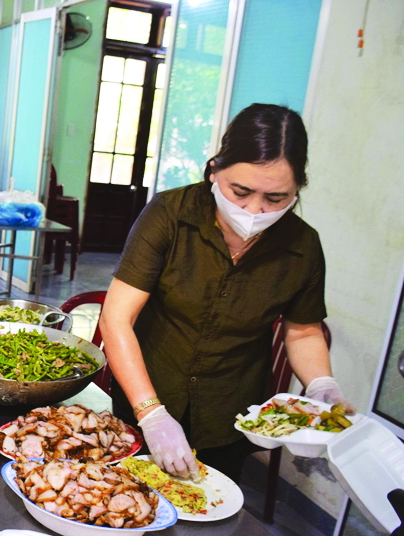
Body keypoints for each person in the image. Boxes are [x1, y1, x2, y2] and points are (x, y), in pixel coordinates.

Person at [99, 103, 355, 483]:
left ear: (298, 188)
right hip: (146, 390)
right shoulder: (171, 214)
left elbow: (303, 330)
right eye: (241, 191)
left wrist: (322, 386)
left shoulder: (302, 246)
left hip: (229, 410)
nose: (255, 209)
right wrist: (150, 412)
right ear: (215, 169)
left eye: (276, 198)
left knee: (205, 505)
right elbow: (117, 318)